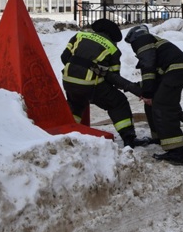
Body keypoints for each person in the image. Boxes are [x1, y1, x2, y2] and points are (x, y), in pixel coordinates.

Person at [60, 18, 152, 149]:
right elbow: (113, 77)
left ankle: (69, 135)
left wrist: (78, 69)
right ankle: (129, 139)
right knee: (118, 103)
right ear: (112, 35)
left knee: (76, 104)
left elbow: (64, 57)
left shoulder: (79, 35)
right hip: (91, 85)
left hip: (68, 81)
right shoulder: (112, 48)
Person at [123, 24, 183, 166]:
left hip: (175, 71)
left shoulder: (143, 41)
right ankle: (160, 137)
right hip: (173, 71)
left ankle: (176, 152)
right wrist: (146, 91)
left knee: (163, 106)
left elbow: (148, 69)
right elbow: (153, 74)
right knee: (153, 104)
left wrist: (148, 93)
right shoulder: (153, 43)